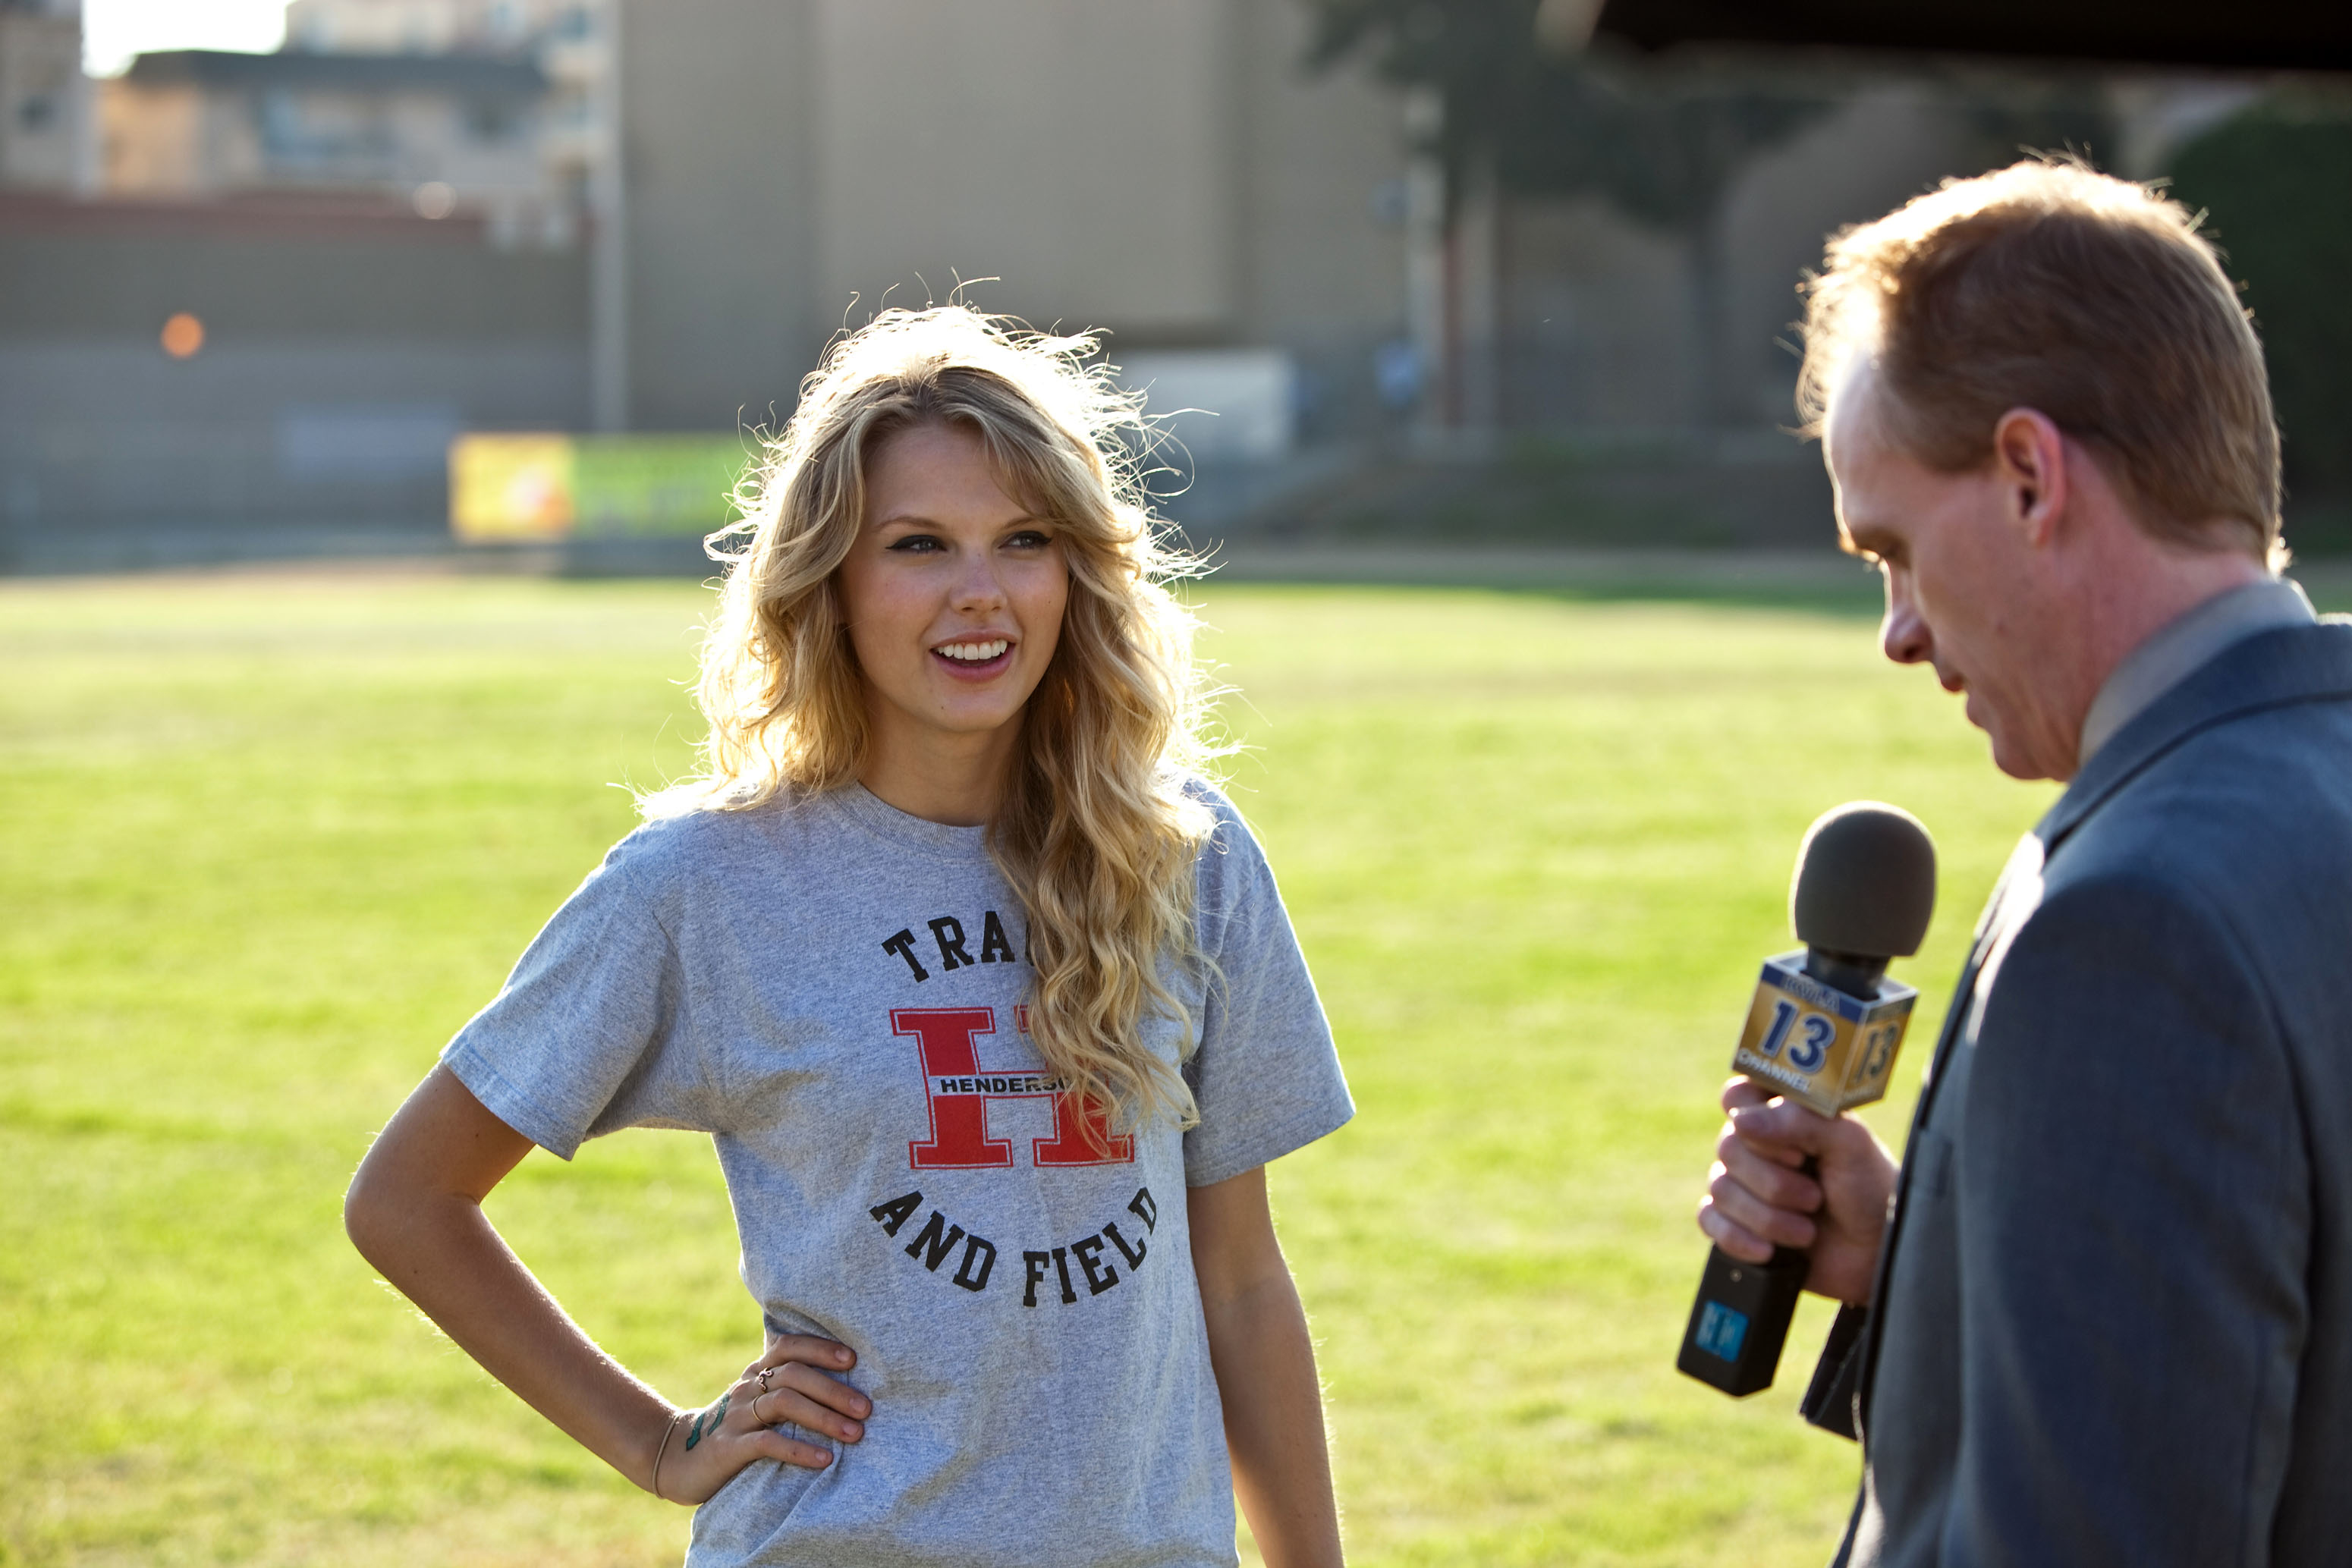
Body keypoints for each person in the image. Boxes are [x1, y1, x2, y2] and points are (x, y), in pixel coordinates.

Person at [344, 306, 1353, 1568]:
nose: (978, 592)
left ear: (1078, 573)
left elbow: (1242, 1282)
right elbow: (409, 1199)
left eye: (1024, 541)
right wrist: (657, 1443)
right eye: (919, 545)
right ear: (831, 578)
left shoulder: (1184, 855)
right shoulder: (704, 885)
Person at [1697, 159, 2352, 1565]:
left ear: (2028, 475)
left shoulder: (2137, 923)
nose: (1899, 633)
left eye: (1895, 551)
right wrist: (1926, 1264)